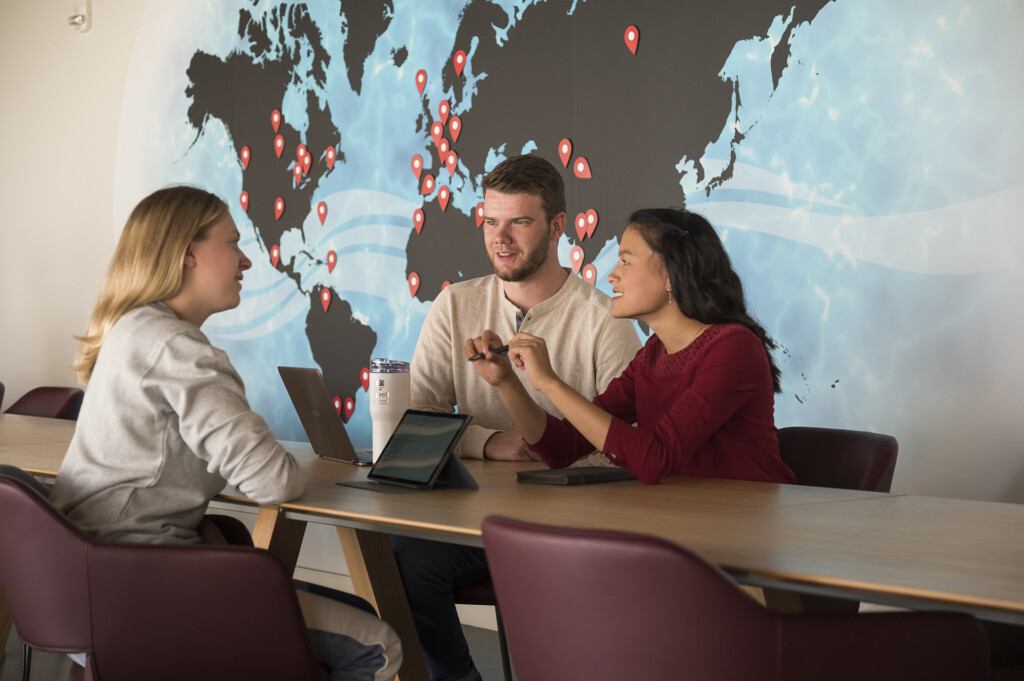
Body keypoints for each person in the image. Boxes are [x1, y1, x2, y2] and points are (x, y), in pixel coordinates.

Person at [50, 186, 402, 681]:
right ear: (187, 253)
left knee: (343, 607)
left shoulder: (132, 329)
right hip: (143, 591)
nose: (246, 261)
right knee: (380, 645)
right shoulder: (178, 348)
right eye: (233, 242)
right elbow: (274, 482)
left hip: (88, 593)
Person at [398, 154, 641, 681]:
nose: (500, 238)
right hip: (473, 520)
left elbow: (628, 448)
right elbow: (420, 416)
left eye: (519, 222)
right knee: (401, 555)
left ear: (558, 226)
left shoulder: (605, 323)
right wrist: (487, 442)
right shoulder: (455, 305)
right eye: (491, 222)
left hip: (569, 525)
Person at [466, 207, 796, 486]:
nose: (612, 275)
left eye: (626, 261)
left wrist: (550, 383)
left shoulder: (733, 348)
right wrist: (507, 382)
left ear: (671, 275)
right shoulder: (651, 355)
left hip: (750, 529)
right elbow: (560, 450)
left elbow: (654, 458)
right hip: (689, 525)